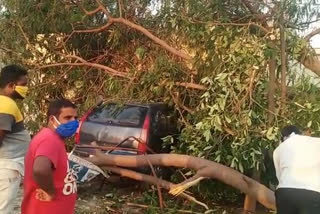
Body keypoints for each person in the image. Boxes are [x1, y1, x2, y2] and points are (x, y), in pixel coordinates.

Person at [21, 99, 79, 214]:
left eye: (75, 118)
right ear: (52, 119)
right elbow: (40, 169)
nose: (73, 122)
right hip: (46, 209)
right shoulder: (49, 140)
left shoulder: (54, 138)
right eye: (67, 118)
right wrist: (50, 192)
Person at [0, 64, 30, 213]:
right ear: (11, 85)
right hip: (7, 168)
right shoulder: (6, 104)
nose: (26, 88)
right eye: (23, 84)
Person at [273, 125, 320, 214]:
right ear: (300, 134)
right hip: (312, 192)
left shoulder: (278, 149)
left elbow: (279, 176)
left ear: (283, 138)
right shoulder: (316, 142)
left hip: (285, 192)